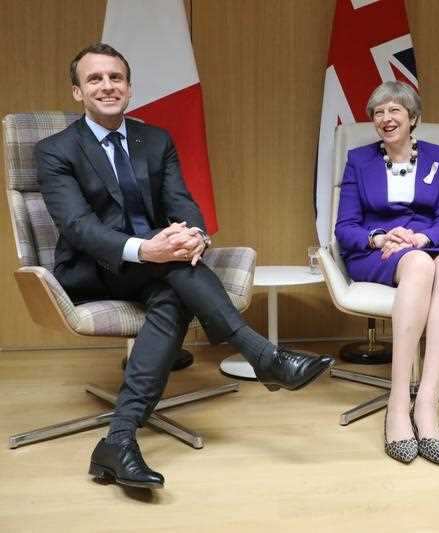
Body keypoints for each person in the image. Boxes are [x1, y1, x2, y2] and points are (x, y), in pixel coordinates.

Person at [35, 43, 334, 489]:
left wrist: (194, 234)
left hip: (161, 267)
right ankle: (263, 356)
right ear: (77, 92)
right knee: (177, 273)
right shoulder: (56, 150)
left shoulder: (154, 140)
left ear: (129, 88)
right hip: (96, 270)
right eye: (94, 79)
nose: (107, 86)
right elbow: (79, 228)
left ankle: (118, 440)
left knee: (173, 293)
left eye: (115, 77)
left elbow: (182, 204)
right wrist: (147, 249)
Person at [335, 81, 439, 465]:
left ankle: (427, 403)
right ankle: (397, 406)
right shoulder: (360, 161)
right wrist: (378, 238)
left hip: (427, 243)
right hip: (377, 252)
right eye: (378, 112)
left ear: (412, 118)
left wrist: (420, 239)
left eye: (394, 110)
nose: (385, 118)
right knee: (419, 265)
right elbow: (345, 226)